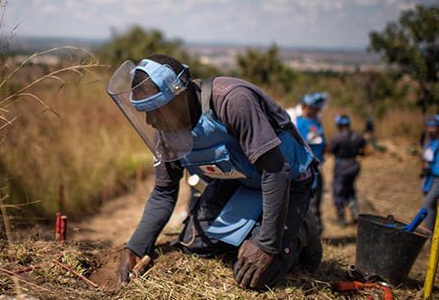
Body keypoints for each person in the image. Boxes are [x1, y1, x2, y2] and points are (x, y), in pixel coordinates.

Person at [107, 55, 322, 290]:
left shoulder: (232, 100)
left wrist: (267, 243)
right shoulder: (165, 129)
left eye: (155, 109)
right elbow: (163, 191)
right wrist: (136, 247)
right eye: (144, 112)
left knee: (257, 275)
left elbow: (276, 171)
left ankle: (302, 230)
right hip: (237, 180)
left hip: (287, 179)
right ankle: (257, 227)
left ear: (181, 92)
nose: (150, 121)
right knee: (194, 247)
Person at [287, 93, 328, 235]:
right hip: (299, 172)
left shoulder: (316, 121)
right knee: (301, 207)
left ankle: (316, 234)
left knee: (315, 206)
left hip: (315, 171)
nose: (316, 112)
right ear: (306, 106)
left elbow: (322, 144)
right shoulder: (292, 118)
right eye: (314, 109)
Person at [328, 115, 366, 225]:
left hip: (342, 166)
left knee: (338, 191)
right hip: (354, 165)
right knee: (350, 189)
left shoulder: (338, 137)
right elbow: (364, 150)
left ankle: (341, 217)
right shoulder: (358, 136)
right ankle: (355, 213)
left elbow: (330, 150)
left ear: (339, 125)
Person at [421, 115, 439, 231]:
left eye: (433, 127)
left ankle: (428, 234)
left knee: (428, 203)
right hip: (430, 177)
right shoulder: (429, 141)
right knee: (431, 204)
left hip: (438, 177)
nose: (430, 129)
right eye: (429, 127)